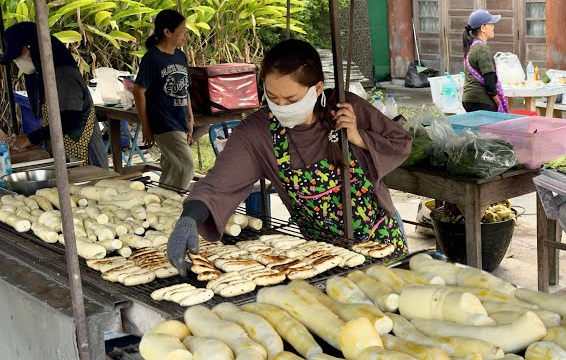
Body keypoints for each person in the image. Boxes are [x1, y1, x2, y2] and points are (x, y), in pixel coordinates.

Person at [165, 40, 411, 273]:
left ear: (316, 88)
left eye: (292, 99)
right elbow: (218, 184)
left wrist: (358, 137)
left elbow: (400, 144)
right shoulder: (258, 134)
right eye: (273, 98)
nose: (282, 106)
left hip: (381, 240)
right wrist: (189, 217)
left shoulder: (345, 108)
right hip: (323, 255)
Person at [3, 22, 108, 168]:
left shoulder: (63, 75)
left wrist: (31, 138)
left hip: (83, 154)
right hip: (66, 153)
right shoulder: (49, 75)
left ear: (30, 48)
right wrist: (39, 139)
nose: (17, 61)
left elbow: (69, 119)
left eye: (17, 55)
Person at [133, 9, 195, 190]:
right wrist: (145, 125)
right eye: (182, 31)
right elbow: (138, 91)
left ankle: (160, 202)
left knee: (171, 167)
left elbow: (186, 88)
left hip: (180, 118)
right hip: (163, 121)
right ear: (167, 32)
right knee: (186, 166)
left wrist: (190, 117)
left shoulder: (180, 55)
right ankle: (174, 202)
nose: (185, 35)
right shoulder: (152, 58)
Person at [462, 9, 508, 113]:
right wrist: (498, 102)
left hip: (470, 99)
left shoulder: (473, 47)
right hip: (481, 101)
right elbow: (489, 81)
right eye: (491, 24)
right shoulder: (482, 48)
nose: (493, 27)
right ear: (483, 28)